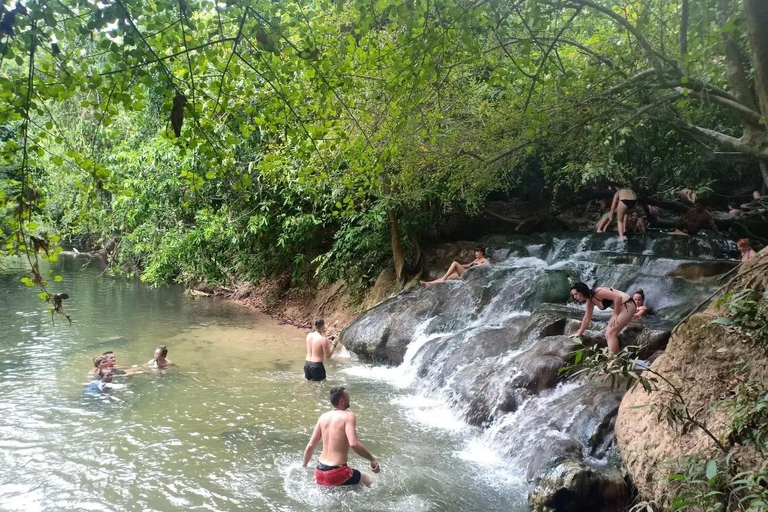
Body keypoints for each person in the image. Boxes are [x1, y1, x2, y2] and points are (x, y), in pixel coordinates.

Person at [302, 387, 380, 487]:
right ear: (342, 401)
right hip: (337, 472)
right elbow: (353, 443)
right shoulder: (348, 416)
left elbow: (310, 446)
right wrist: (372, 459)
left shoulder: (323, 417)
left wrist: (304, 465)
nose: (349, 398)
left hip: (319, 472)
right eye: (348, 396)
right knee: (367, 478)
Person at [568, 282, 637, 354]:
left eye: (576, 294)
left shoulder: (599, 292)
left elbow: (618, 297)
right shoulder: (590, 302)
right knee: (608, 334)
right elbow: (587, 318)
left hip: (627, 304)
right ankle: (614, 358)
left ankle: (613, 360)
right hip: (623, 307)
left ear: (582, 291)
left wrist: (615, 315)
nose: (575, 297)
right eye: (573, 295)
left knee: (610, 333)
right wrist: (579, 332)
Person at [420, 247, 489, 287]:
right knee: (447, 277)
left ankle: (442, 279)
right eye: (475, 251)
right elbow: (468, 265)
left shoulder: (484, 260)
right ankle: (429, 283)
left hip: (469, 276)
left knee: (454, 263)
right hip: (466, 274)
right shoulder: (476, 259)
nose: (475, 253)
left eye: (477, 251)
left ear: (482, 252)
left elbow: (487, 265)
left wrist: (478, 265)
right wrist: (460, 266)